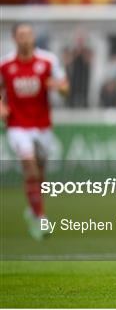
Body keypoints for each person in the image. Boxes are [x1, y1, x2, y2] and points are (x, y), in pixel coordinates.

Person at [0, 23, 69, 240]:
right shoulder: (5, 65)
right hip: (18, 126)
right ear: (15, 39)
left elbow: (66, 87)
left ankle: (32, 209)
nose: (26, 39)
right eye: (21, 35)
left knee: (39, 173)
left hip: (43, 125)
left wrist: (58, 86)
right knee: (29, 166)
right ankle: (41, 217)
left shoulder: (48, 61)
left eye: (29, 35)